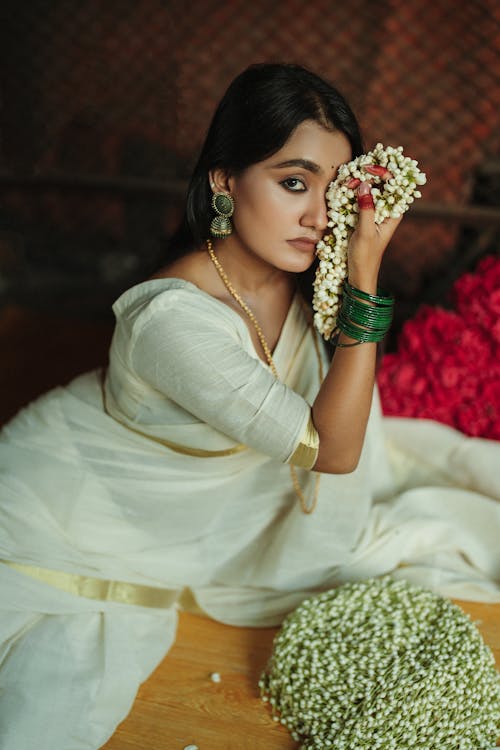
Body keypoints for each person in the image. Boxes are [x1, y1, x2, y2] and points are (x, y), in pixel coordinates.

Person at [0, 63, 499, 750]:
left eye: (335, 189)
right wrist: (365, 273)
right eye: (294, 182)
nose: (321, 216)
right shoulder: (174, 324)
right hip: (68, 509)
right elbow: (336, 452)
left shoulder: (289, 271)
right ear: (224, 180)